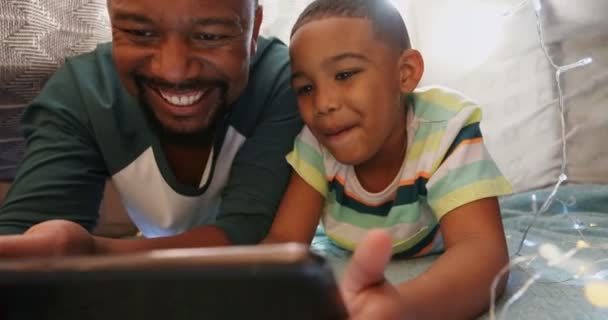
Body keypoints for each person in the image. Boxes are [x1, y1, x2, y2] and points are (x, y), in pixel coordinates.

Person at [263, 0, 513, 319]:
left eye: (344, 74)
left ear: (404, 74)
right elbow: (285, 241)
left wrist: (403, 307)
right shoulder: (317, 141)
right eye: (306, 87)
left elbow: (482, 252)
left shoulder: (445, 129)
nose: (322, 103)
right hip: (346, 246)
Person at [0, 0, 303, 255]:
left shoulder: (287, 84)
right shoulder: (83, 93)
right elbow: (27, 240)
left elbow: (249, 237)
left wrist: (93, 251)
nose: (173, 71)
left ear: (254, 32)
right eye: (139, 33)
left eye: (210, 36)